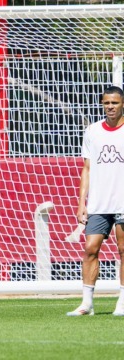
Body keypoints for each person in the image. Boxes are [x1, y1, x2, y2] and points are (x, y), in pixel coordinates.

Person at [67, 86, 124, 316]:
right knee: (90, 249)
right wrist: (82, 203)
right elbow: (87, 169)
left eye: (115, 103)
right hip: (99, 203)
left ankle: (122, 302)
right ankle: (87, 304)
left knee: (123, 249)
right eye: (106, 103)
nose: (110, 106)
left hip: (122, 201)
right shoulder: (92, 131)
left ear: (123, 105)